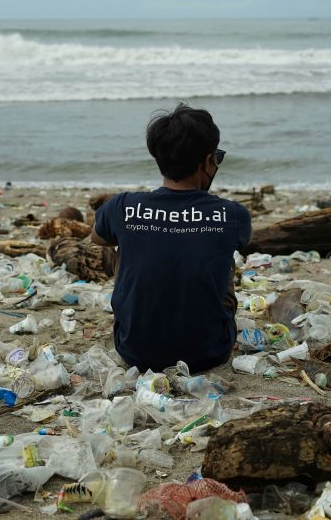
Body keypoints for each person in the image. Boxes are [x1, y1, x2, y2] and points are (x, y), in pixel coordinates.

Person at [92, 104, 252, 373]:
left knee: (124, 247)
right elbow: (243, 241)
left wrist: (148, 229)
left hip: (134, 350)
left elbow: (97, 238)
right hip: (210, 351)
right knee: (224, 256)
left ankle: (147, 325)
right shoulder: (232, 215)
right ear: (207, 161)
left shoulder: (122, 207)